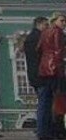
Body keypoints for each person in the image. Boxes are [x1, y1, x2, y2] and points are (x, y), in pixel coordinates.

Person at [37, 12, 66, 140]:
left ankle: (44, 132)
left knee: (45, 101)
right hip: (54, 69)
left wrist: (45, 60)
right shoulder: (58, 32)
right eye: (62, 20)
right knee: (58, 100)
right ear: (55, 21)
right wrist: (61, 67)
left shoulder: (44, 32)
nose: (64, 23)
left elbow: (38, 49)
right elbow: (59, 52)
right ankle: (58, 130)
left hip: (44, 69)